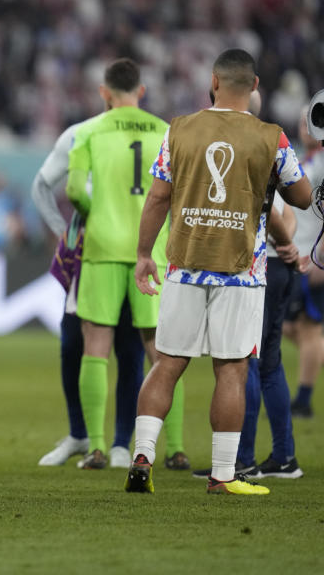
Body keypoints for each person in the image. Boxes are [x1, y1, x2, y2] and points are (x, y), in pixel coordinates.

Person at [126, 48, 310, 496]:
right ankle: (223, 475)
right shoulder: (273, 137)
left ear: (213, 81)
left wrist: (145, 254)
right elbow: (303, 197)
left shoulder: (180, 130)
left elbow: (157, 198)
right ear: (256, 86)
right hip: (242, 272)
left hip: (184, 266)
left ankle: (142, 457)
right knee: (232, 369)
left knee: (167, 364)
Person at [65, 58, 188, 470]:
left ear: (104, 93)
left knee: (95, 346)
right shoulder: (166, 131)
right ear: (142, 90)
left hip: (101, 245)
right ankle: (175, 449)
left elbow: (73, 190)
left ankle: (97, 447)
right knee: (162, 351)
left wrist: (95, 211)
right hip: (151, 251)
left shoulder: (89, 130)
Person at [31, 113, 146, 469]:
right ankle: (81, 435)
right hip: (93, 255)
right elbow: (42, 185)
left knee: (129, 347)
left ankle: (120, 443)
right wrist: (63, 231)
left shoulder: (147, 131)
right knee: (73, 344)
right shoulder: (82, 133)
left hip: (131, 254)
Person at [287, 109, 324, 419]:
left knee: (309, 330)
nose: (303, 127)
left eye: (308, 122)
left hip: (312, 258)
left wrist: (321, 258)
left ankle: (303, 400)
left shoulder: (323, 164)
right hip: (297, 256)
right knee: (292, 327)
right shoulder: (307, 158)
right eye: (301, 122)